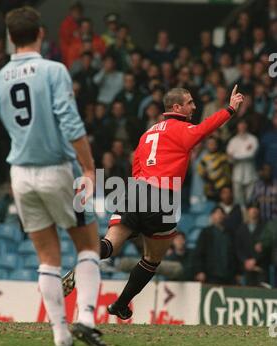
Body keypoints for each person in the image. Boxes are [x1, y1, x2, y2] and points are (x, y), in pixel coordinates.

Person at [63, 85, 244, 319]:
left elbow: (136, 164)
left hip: (134, 190)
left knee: (109, 244)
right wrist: (229, 109)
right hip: (163, 197)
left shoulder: (148, 133)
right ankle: (120, 304)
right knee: (151, 258)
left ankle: (83, 260)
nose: (194, 106)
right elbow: (203, 130)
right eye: (190, 102)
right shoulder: (182, 129)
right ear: (176, 107)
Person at [0, 7, 110, 346]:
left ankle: (61, 338)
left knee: (47, 257)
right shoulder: (53, 70)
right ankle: (86, 317)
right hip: (58, 168)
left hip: (21, 174)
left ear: (11, 38)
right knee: (88, 244)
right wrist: (88, 168)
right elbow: (71, 123)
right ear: (41, 33)